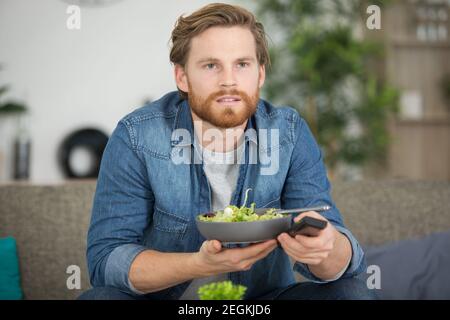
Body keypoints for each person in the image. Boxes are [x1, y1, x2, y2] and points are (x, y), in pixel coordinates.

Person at [78, 3, 375, 300]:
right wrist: (199, 264)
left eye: (242, 64)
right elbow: (106, 262)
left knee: (353, 294)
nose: (229, 80)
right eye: (211, 65)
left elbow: (344, 262)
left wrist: (326, 247)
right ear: (182, 77)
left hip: (259, 304)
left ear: (260, 74)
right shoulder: (137, 136)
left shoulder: (289, 133)